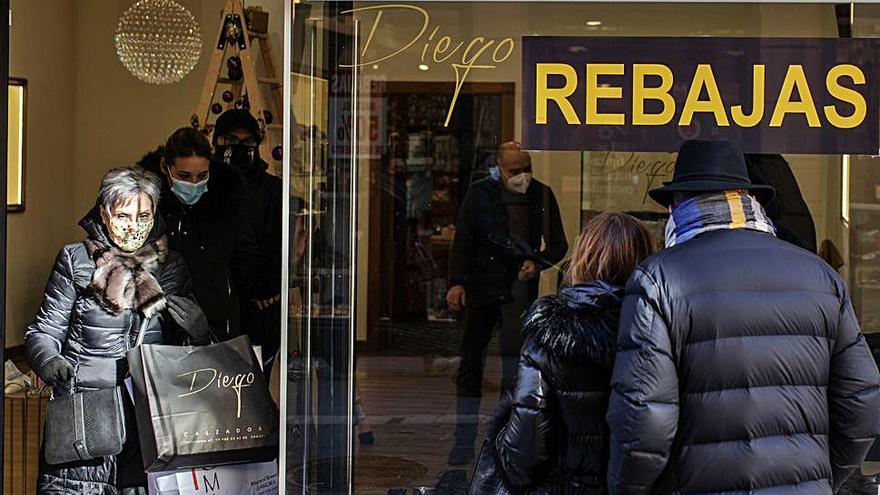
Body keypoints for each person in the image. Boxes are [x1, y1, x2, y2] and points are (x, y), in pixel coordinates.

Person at [606, 140, 880, 495]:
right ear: (747, 200)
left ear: (678, 205)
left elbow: (643, 420)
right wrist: (819, 476)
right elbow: (862, 402)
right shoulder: (821, 277)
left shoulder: (658, 278)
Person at [26, 166, 211, 493]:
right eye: (123, 215)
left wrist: (197, 331)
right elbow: (44, 330)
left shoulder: (171, 267)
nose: (133, 227)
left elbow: (189, 358)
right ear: (103, 212)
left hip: (149, 416)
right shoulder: (76, 260)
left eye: (144, 217)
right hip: (85, 412)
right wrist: (49, 361)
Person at [471, 213, 653, 494]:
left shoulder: (550, 331)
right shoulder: (656, 329)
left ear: (583, 256)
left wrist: (500, 438)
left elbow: (524, 451)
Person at [446, 141, 568, 465]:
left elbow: (558, 244)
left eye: (526, 169)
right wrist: (456, 282)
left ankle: (505, 439)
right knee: (471, 365)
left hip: (518, 289)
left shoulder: (541, 194)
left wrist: (537, 262)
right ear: (499, 166)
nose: (522, 176)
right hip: (483, 287)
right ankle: (463, 440)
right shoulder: (480, 194)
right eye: (515, 170)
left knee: (515, 369)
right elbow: (464, 240)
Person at [138, 127, 262, 340]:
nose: (194, 184)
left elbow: (245, 259)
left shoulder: (228, 200)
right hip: (158, 319)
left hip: (218, 316)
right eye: (184, 176)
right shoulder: (145, 203)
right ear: (164, 167)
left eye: (202, 175)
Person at [213, 109, 283, 369]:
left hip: (260, 306)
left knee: (254, 387)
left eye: (248, 142)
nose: (240, 148)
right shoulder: (205, 185)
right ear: (217, 141)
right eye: (230, 141)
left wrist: (267, 285)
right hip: (214, 303)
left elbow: (282, 243)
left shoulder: (273, 190)